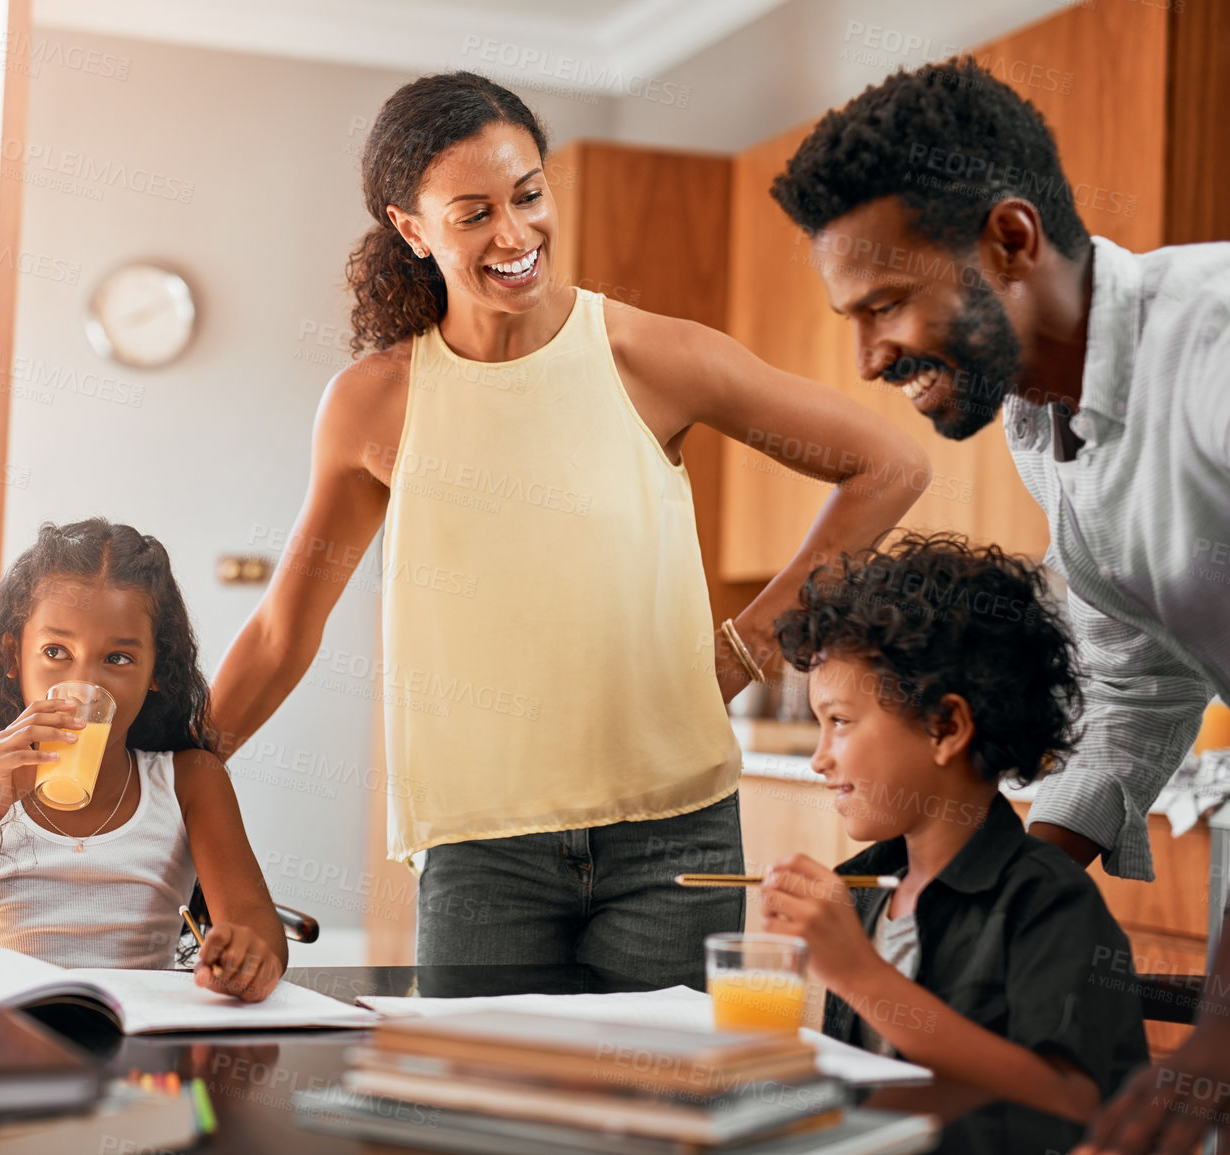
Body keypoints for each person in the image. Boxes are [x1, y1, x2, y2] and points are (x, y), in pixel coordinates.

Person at [208, 71, 931, 988]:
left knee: (658, 1121)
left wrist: (749, 643)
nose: (514, 235)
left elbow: (889, 464)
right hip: (480, 851)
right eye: (472, 213)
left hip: (671, 839)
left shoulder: (648, 356)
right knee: (484, 1125)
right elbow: (282, 630)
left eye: (529, 195)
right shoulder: (375, 406)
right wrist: (172, 776)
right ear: (411, 229)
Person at [768, 56, 1230, 1149]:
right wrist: (998, 881)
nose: (870, 354)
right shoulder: (1042, 421)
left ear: (1010, 242)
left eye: (886, 304)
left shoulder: (1211, 354)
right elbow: (1136, 679)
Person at [760, 533, 1147, 1121]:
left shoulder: (1046, 902)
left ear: (945, 727)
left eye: (839, 721)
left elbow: (1071, 1100)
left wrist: (858, 975)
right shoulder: (861, 891)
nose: (819, 757)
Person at [0, 518, 286, 1003]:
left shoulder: (191, 783)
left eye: (118, 659)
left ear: (157, 669)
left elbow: (258, 928)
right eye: (55, 651)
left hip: (135, 1059)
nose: (87, 685)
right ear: (12, 656)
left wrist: (247, 955)